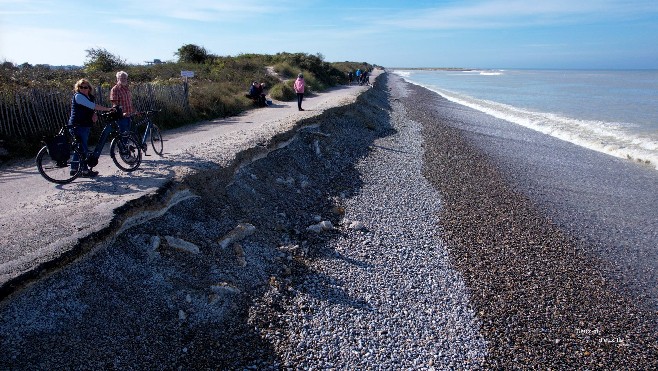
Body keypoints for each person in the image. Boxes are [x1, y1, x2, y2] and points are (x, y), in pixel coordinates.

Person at [67, 79, 115, 177]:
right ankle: (84, 171)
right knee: (83, 148)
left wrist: (94, 113)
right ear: (78, 88)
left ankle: (74, 169)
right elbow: (91, 106)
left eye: (86, 87)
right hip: (77, 125)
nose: (83, 89)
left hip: (84, 125)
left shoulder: (88, 97)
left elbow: (89, 108)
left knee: (80, 147)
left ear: (89, 88)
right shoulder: (78, 96)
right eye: (81, 87)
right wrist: (108, 109)